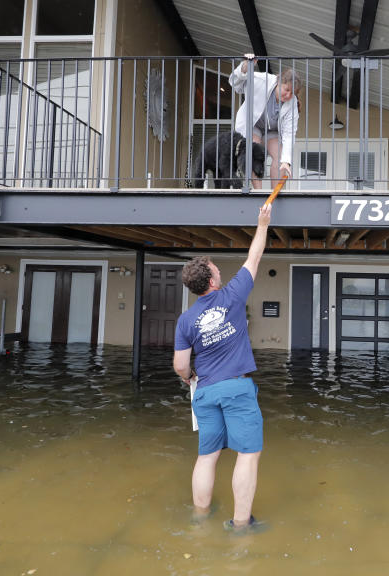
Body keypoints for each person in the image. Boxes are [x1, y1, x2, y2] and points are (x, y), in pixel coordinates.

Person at [173, 203, 272, 532]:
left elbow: (180, 366)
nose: (220, 271)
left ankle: (200, 518)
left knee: (207, 455)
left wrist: (190, 379)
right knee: (247, 454)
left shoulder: (186, 320)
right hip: (236, 388)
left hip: (205, 391)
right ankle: (241, 524)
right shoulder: (232, 295)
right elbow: (254, 257)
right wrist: (262, 223)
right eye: (217, 269)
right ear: (213, 281)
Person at [229, 55, 301, 188]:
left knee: (280, 158)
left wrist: (286, 161)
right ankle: (258, 191)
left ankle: (274, 195)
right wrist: (246, 66)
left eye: (292, 93)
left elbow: (289, 133)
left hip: (272, 131)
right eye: (286, 90)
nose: (288, 95)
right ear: (279, 82)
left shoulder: (292, 103)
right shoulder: (262, 80)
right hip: (253, 125)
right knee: (252, 152)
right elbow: (235, 83)